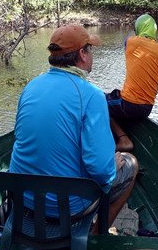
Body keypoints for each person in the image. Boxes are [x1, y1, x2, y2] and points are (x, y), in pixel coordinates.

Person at [9, 23, 138, 228]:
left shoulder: (31, 87)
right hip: (66, 208)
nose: (92, 54)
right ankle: (96, 235)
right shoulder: (91, 95)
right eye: (90, 49)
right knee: (130, 162)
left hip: (22, 200)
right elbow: (101, 171)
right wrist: (113, 163)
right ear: (82, 54)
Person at [107, 14, 158, 151]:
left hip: (128, 104)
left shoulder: (131, 42)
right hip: (146, 109)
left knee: (97, 102)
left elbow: (130, 36)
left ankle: (123, 140)